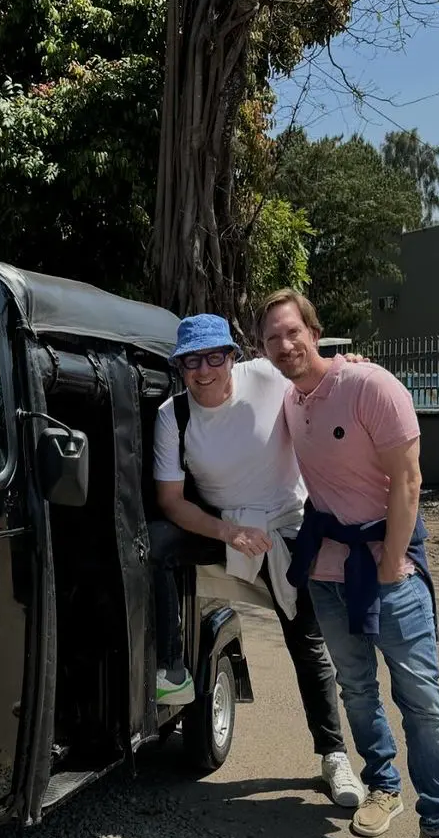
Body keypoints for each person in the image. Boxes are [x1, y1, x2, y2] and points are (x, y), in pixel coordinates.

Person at [256, 288, 439, 838]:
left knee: (422, 702)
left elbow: (409, 480)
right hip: (326, 574)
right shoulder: (291, 401)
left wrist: (395, 560)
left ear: (314, 331)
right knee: (357, 689)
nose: (285, 345)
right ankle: (382, 787)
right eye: (272, 338)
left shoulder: (372, 386)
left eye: (293, 332)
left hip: (388, 572)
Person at [151, 313, 366, 809]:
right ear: (180, 367)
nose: (204, 371)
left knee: (306, 640)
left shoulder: (267, 377)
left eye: (213, 357)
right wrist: (228, 530)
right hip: (223, 526)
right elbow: (171, 502)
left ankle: (334, 755)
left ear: (232, 356)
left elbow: (324, 376)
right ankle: (172, 666)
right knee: (157, 544)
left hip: (286, 526)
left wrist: (350, 365)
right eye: (191, 361)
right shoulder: (173, 416)